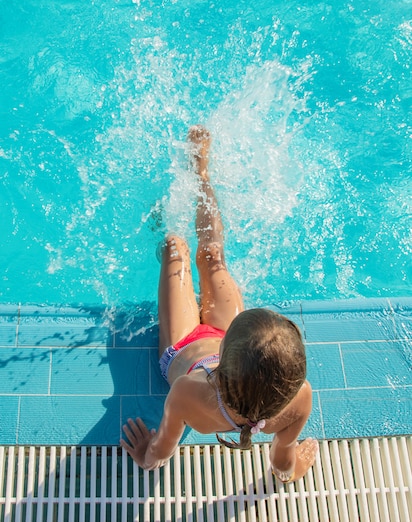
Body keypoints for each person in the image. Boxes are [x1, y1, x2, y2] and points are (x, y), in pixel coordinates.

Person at [120, 125, 318, 481]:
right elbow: (282, 460)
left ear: (226, 354)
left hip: (183, 345)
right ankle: (201, 170)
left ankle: (158, 223)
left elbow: (161, 450)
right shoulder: (300, 397)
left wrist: (143, 456)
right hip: (231, 349)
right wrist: (292, 472)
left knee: (174, 247)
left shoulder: (189, 392)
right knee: (212, 256)